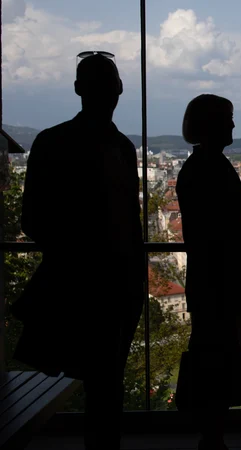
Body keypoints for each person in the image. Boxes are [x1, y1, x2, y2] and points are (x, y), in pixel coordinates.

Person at [12, 52, 144, 449]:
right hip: (115, 281)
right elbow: (130, 222)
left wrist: (71, 252)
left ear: (76, 89)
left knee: (96, 379)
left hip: (78, 279)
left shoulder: (52, 142)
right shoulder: (122, 147)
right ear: (119, 89)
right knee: (108, 382)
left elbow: (32, 221)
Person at [176, 94, 241, 450]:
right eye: (228, 118)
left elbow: (222, 224)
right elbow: (220, 227)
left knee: (215, 356)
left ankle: (212, 435)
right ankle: (213, 437)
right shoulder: (209, 167)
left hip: (214, 278)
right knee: (218, 357)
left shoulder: (204, 164)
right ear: (211, 124)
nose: (234, 125)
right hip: (218, 280)